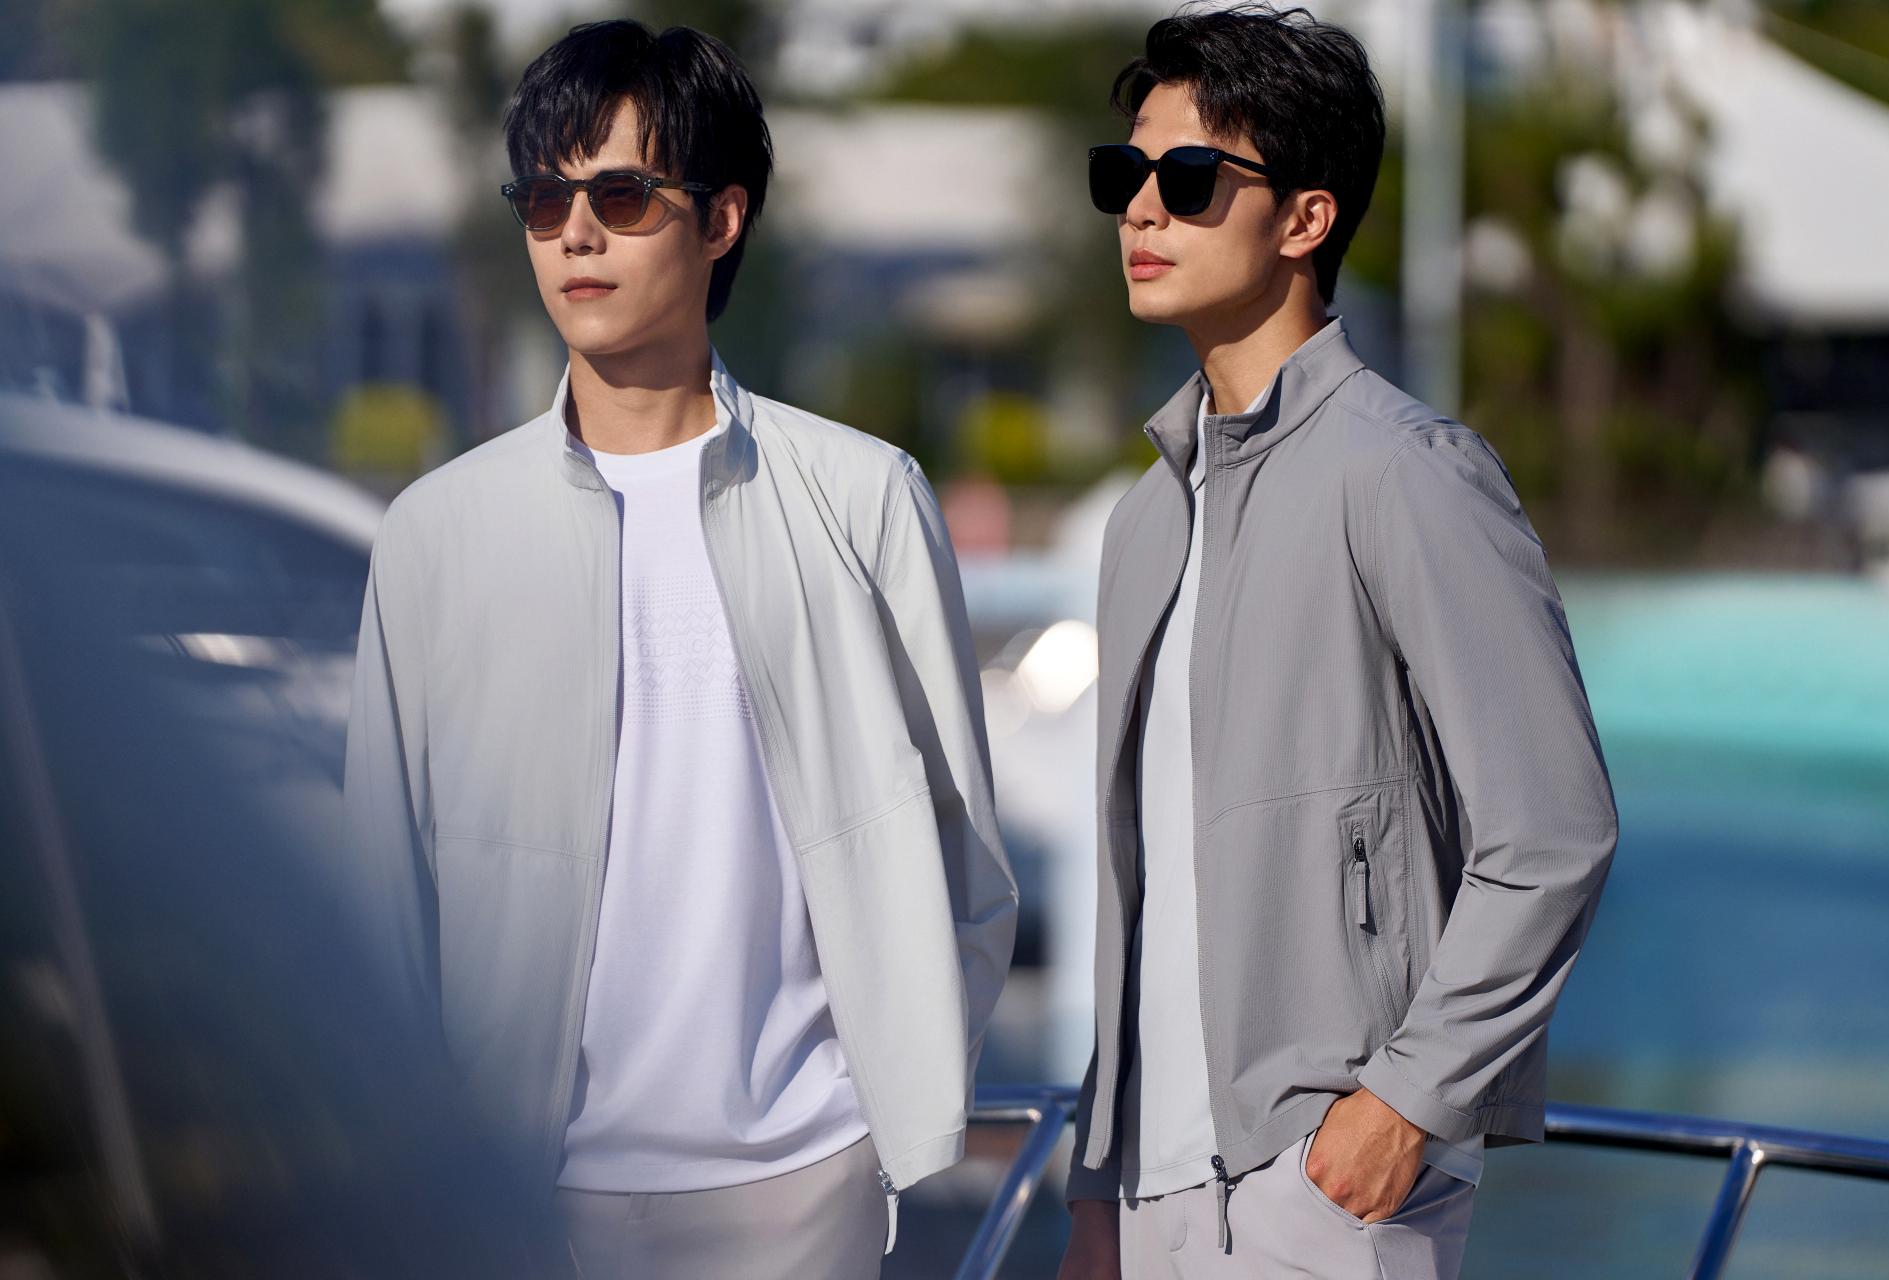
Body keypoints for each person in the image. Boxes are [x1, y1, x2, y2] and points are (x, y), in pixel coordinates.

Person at [341, 20, 1018, 1279]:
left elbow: (961, 847)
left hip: (806, 1178)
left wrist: (889, 1109)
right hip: (521, 1193)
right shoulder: (435, 533)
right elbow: (385, 892)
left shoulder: (863, 495)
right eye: (543, 199)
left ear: (720, 219)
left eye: (619, 195)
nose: (575, 234)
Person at [1056, 6, 1618, 1278]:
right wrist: (1097, 1177)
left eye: (1187, 177)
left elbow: (1554, 829)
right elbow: (1142, 889)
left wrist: (1406, 1102)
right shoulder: (1146, 517)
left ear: (1306, 219)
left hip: (1322, 1176)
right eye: (1123, 173)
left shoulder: (1407, 471)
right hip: (1150, 1189)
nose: (1140, 208)